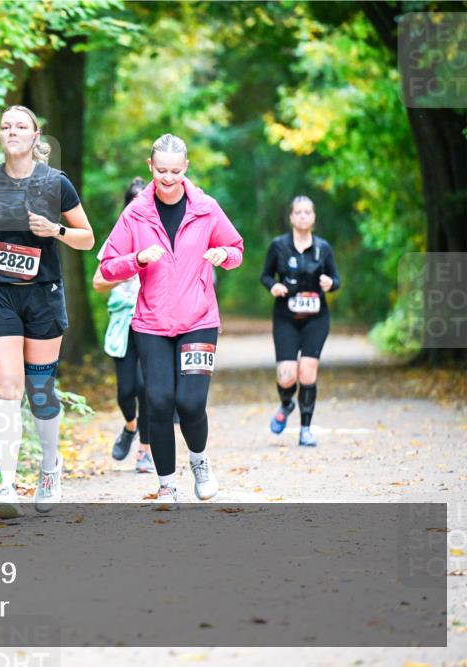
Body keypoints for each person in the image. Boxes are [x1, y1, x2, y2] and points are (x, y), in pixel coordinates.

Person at [0, 106, 94, 518]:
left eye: (21, 126)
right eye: (5, 126)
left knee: (39, 393)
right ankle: (6, 489)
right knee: (7, 386)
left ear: (36, 137)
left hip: (43, 294)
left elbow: (87, 238)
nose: (12, 131)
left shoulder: (55, 184)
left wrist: (54, 230)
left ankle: (50, 467)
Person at [98, 133, 243, 504]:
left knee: (191, 403)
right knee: (159, 401)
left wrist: (223, 254)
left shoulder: (207, 208)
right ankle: (166, 484)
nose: (167, 178)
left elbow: (237, 249)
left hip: (199, 319)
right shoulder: (136, 212)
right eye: (161, 170)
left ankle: (199, 461)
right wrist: (137, 260)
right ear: (150, 167)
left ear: (186, 168)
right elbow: (108, 266)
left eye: (175, 171)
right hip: (152, 323)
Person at [260, 196, 340, 447]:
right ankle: (287, 403)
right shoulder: (279, 246)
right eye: (299, 212)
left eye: (308, 212)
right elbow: (265, 276)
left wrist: (330, 284)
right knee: (286, 376)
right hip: (286, 318)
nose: (304, 216)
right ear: (292, 217)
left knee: (307, 371)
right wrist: (274, 286)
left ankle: (305, 429)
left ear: (313, 217)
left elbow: (336, 280)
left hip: (316, 319)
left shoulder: (323, 248)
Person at [92, 177, 155, 473]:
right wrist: (127, 270)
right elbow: (98, 281)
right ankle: (131, 426)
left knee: (147, 387)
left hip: (153, 321)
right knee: (126, 391)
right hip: (123, 323)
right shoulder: (118, 238)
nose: (138, 203)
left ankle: (145, 451)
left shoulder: (161, 235)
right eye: (133, 199)